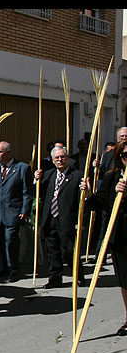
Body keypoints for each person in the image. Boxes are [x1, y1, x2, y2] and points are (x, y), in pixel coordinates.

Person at [81, 139, 127, 336]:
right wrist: (89, 195)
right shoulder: (112, 177)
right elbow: (99, 204)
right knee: (125, 279)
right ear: (119, 158)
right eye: (125, 155)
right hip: (120, 236)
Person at [34, 146, 86, 289]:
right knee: (52, 251)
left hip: (67, 219)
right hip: (50, 218)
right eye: (56, 158)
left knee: (68, 250)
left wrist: (80, 221)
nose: (60, 160)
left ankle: (78, 275)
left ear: (68, 158)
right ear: (52, 160)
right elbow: (38, 193)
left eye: (62, 157)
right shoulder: (48, 175)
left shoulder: (77, 175)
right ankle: (55, 278)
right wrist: (36, 180)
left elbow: (82, 201)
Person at [0, 141, 34, 282]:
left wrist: (24, 209)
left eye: (0, 152)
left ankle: (13, 269)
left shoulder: (22, 168)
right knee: (2, 242)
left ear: (8, 152)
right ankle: (5, 266)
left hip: (14, 211)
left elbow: (27, 192)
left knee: (11, 241)